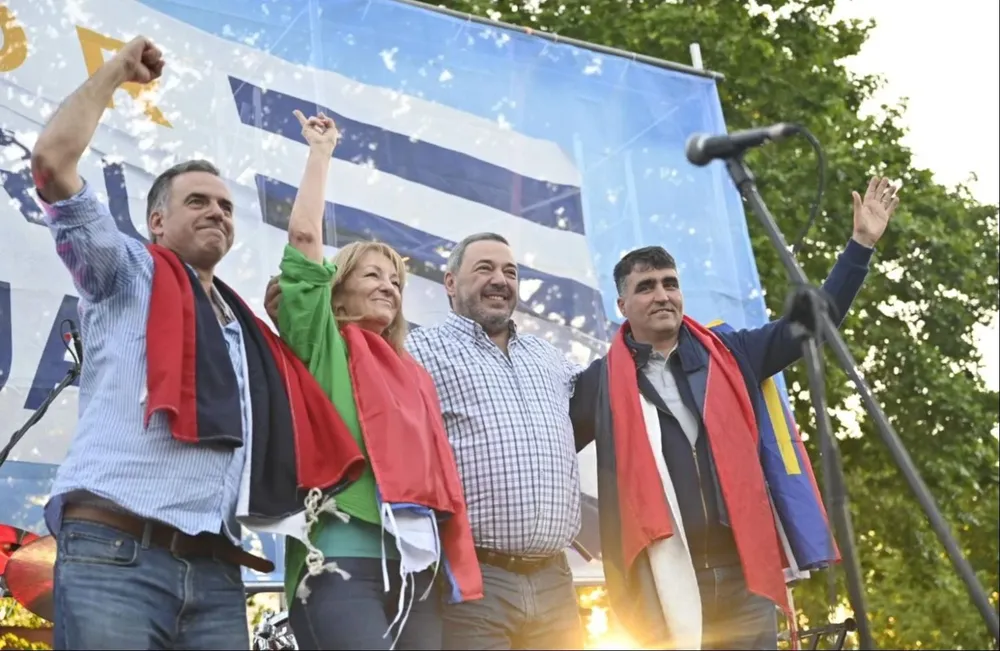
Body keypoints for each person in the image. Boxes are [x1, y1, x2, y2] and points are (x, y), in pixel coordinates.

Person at [33, 36, 359, 650]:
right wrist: (114, 73)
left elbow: (309, 245)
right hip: (115, 555)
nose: (218, 213)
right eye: (198, 202)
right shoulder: (127, 271)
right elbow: (52, 163)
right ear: (156, 221)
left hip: (216, 570)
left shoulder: (242, 328)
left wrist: (319, 157)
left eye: (227, 207)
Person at [570, 176, 901, 650]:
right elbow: (546, 446)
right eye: (646, 287)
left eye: (670, 283)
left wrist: (860, 247)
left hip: (746, 579)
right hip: (662, 588)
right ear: (623, 305)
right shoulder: (598, 385)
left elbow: (811, 323)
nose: (662, 294)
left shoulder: (730, 352)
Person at [265, 232, 587, 650]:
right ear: (450, 283)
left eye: (510, 271)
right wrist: (296, 317)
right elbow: (339, 366)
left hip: (554, 582)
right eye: (484, 268)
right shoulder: (414, 353)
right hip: (474, 581)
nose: (500, 279)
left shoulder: (550, 359)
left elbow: (604, 401)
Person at [271, 110, 482, 651]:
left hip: (416, 572)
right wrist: (320, 153)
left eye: (396, 281)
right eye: (372, 275)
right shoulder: (321, 341)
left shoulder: (414, 374)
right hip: (339, 565)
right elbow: (302, 236)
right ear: (335, 292)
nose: (389, 286)